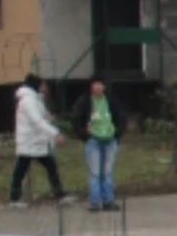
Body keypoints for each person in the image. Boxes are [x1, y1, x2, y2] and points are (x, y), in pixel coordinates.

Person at [10, 74, 69, 208]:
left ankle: (59, 194)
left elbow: (43, 116)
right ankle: (14, 198)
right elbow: (37, 121)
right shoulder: (28, 101)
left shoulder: (35, 99)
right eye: (42, 84)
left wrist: (49, 118)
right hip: (30, 141)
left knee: (48, 166)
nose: (45, 87)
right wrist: (55, 134)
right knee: (22, 169)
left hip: (37, 142)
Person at [71, 76, 127, 212]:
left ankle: (108, 200)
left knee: (107, 172)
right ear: (91, 86)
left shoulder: (111, 101)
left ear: (104, 87)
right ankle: (95, 202)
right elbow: (76, 118)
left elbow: (121, 116)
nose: (97, 87)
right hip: (93, 140)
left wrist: (117, 133)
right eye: (95, 84)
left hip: (110, 140)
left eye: (100, 84)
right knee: (95, 172)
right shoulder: (85, 101)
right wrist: (83, 134)